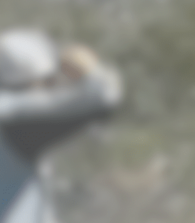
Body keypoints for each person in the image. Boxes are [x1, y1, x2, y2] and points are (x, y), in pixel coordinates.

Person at [0, 29, 122, 223]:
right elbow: (104, 95)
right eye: (49, 80)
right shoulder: (16, 122)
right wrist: (83, 67)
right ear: (34, 80)